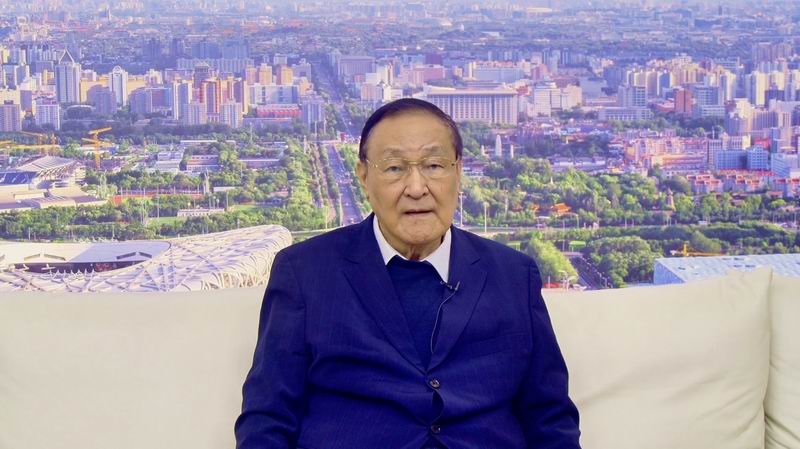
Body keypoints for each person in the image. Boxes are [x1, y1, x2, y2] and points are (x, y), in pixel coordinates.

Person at [234, 98, 581, 449]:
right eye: (395, 168)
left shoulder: (513, 275)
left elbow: (550, 418)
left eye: (434, 165)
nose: (417, 188)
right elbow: (267, 420)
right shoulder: (304, 272)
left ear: (458, 171)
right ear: (364, 177)